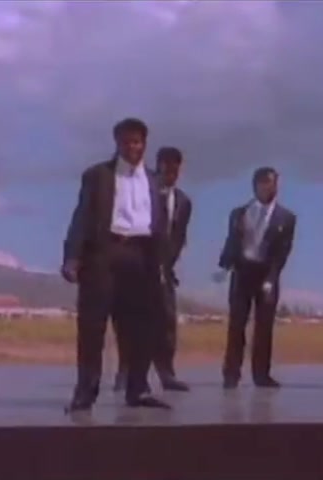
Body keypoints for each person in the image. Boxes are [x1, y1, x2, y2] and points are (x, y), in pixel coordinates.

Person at [61, 117, 171, 411]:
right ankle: (86, 392)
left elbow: (161, 226)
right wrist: (72, 257)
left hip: (141, 257)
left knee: (141, 327)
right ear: (117, 143)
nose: (132, 147)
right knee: (92, 327)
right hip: (105, 253)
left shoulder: (155, 180)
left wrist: (162, 264)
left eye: (137, 142)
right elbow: (82, 216)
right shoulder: (98, 175)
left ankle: (138, 389)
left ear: (144, 144)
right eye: (126, 142)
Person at [113, 146, 193, 392]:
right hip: (137, 265)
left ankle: (166, 372)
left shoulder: (183, 202)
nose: (170, 174)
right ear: (158, 167)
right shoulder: (143, 191)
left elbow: (178, 237)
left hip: (164, 270)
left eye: (175, 170)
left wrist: (167, 264)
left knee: (166, 320)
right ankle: (126, 371)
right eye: (166, 168)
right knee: (131, 322)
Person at [214, 167, 296, 389]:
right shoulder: (240, 213)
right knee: (237, 324)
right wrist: (224, 265)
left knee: (264, 327)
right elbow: (232, 241)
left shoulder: (286, 218)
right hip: (243, 271)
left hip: (266, 273)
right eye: (265, 182)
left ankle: (261, 374)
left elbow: (283, 251)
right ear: (256, 185)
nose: (270, 187)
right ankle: (231, 373)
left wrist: (272, 278)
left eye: (273, 182)